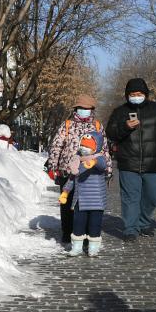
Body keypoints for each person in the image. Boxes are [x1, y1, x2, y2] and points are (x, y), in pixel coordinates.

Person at [105, 78, 156, 242]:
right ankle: (131, 228)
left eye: (139, 94)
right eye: (132, 94)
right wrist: (125, 126)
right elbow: (110, 133)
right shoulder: (119, 112)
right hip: (128, 162)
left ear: (145, 94)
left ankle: (144, 222)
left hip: (153, 163)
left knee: (151, 196)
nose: (136, 96)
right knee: (130, 197)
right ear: (127, 95)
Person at [45, 94, 111, 243]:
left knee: (87, 205)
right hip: (67, 171)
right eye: (81, 108)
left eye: (87, 108)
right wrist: (53, 166)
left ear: (92, 110)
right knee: (67, 204)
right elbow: (56, 146)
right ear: (76, 109)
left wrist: (108, 169)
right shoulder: (66, 125)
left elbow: (105, 150)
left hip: (90, 173)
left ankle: (86, 235)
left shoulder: (98, 126)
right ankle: (67, 232)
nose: (84, 110)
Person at [59, 132, 109, 257]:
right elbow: (72, 178)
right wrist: (65, 192)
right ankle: (76, 247)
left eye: (88, 145)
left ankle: (93, 248)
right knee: (78, 224)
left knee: (94, 225)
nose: (84, 148)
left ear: (96, 146)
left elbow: (102, 165)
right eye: (83, 145)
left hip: (96, 201)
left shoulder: (100, 157)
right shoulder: (77, 160)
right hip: (80, 200)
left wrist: (93, 162)